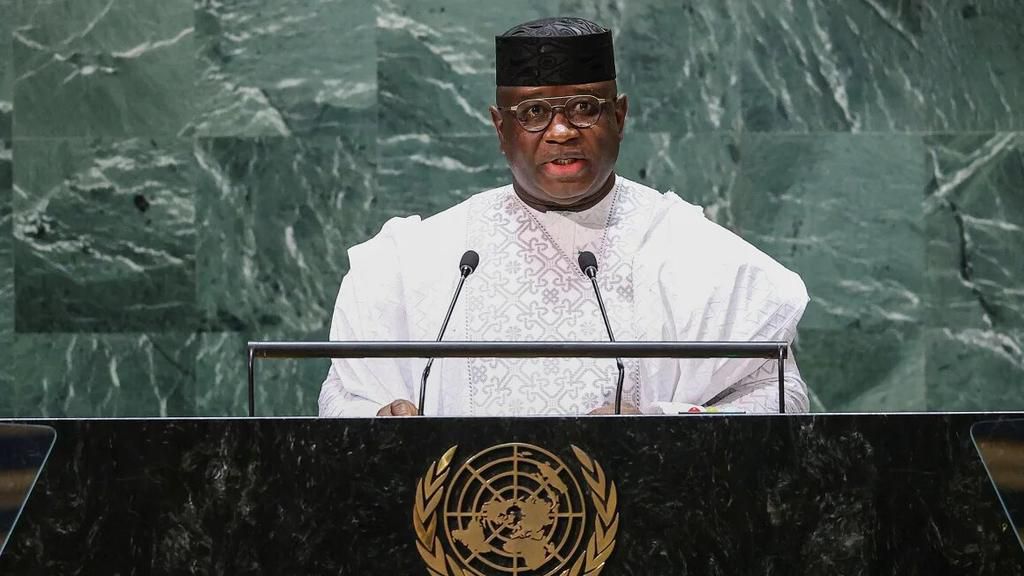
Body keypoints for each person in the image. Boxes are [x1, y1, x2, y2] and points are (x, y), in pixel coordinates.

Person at [319, 16, 809, 418]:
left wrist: (667, 425)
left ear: (619, 116)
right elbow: (342, 396)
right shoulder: (424, 260)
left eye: (583, 108)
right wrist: (380, 420)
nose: (560, 131)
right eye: (533, 112)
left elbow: (782, 395)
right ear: (499, 127)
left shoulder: (693, 252)